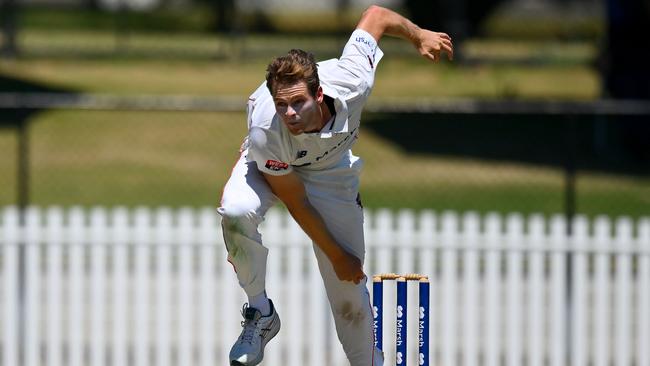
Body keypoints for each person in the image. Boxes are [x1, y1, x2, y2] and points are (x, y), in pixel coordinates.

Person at [218, 5, 453, 366]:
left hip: (330, 170)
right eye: (282, 105)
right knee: (236, 212)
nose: (290, 114)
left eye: (299, 102)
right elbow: (296, 202)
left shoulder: (352, 80)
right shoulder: (268, 130)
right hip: (272, 163)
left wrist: (418, 34)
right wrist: (336, 253)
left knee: (348, 285)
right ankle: (261, 312)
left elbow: (376, 16)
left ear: (320, 93)